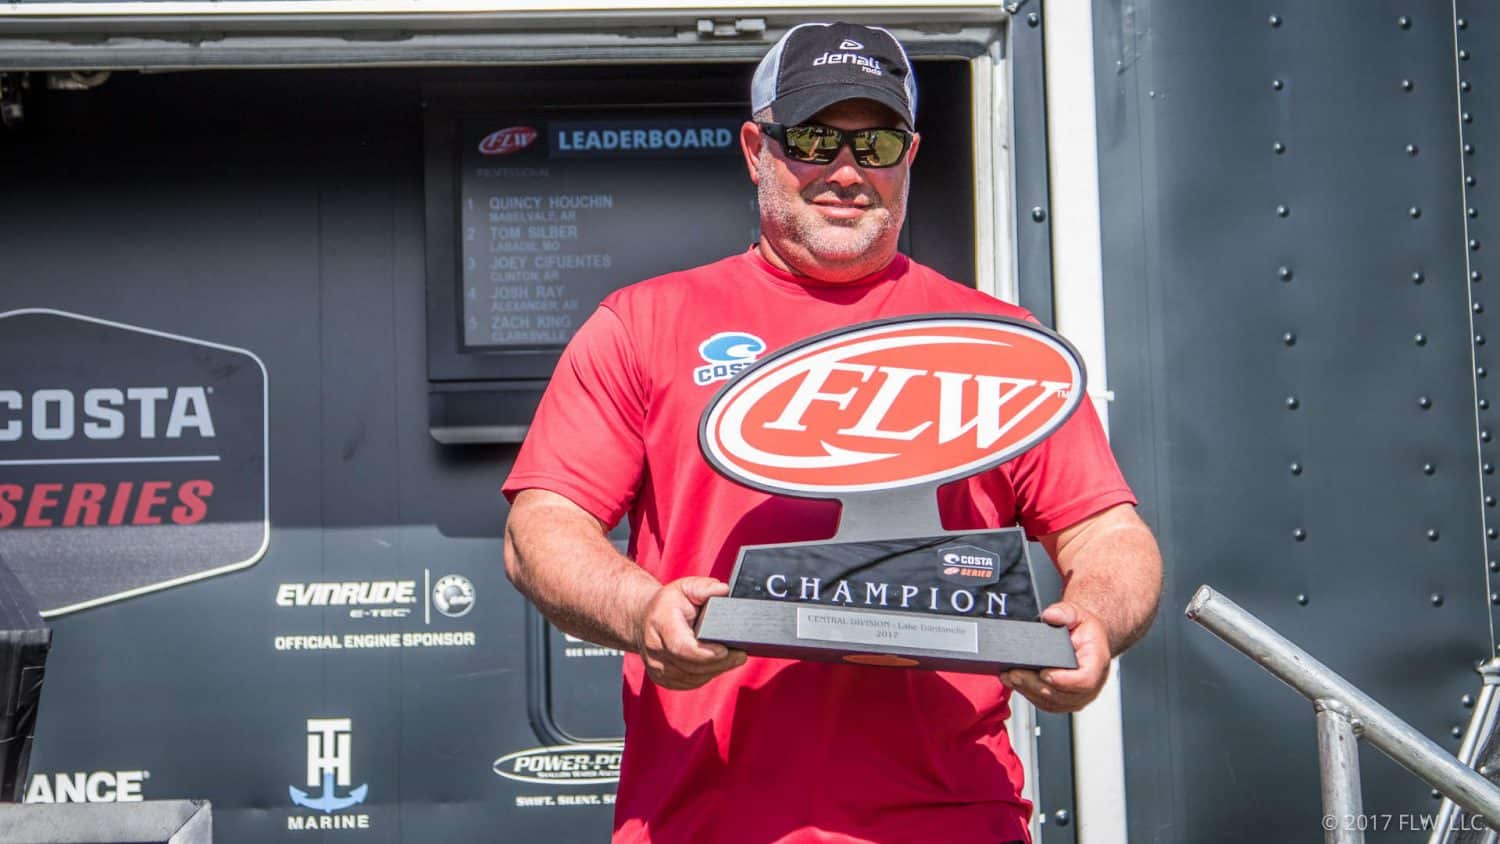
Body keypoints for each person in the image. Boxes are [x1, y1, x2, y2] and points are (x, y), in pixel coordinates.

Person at [503, 21, 1163, 844]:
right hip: (704, 824)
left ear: (908, 157)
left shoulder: (1003, 347)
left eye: (877, 144)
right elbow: (541, 529)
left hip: (954, 822)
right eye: (813, 140)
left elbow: (1109, 534)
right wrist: (644, 610)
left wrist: (1092, 619)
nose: (847, 172)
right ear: (757, 149)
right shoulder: (643, 324)